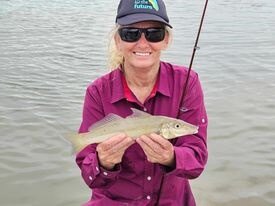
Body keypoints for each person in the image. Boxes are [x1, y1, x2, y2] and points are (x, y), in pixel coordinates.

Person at [76, 0, 208, 205]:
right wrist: (104, 162)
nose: (143, 43)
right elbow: (90, 175)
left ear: (166, 40)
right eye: (131, 33)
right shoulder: (97, 91)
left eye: (155, 33)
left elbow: (197, 159)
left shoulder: (187, 82)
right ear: (118, 41)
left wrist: (171, 157)